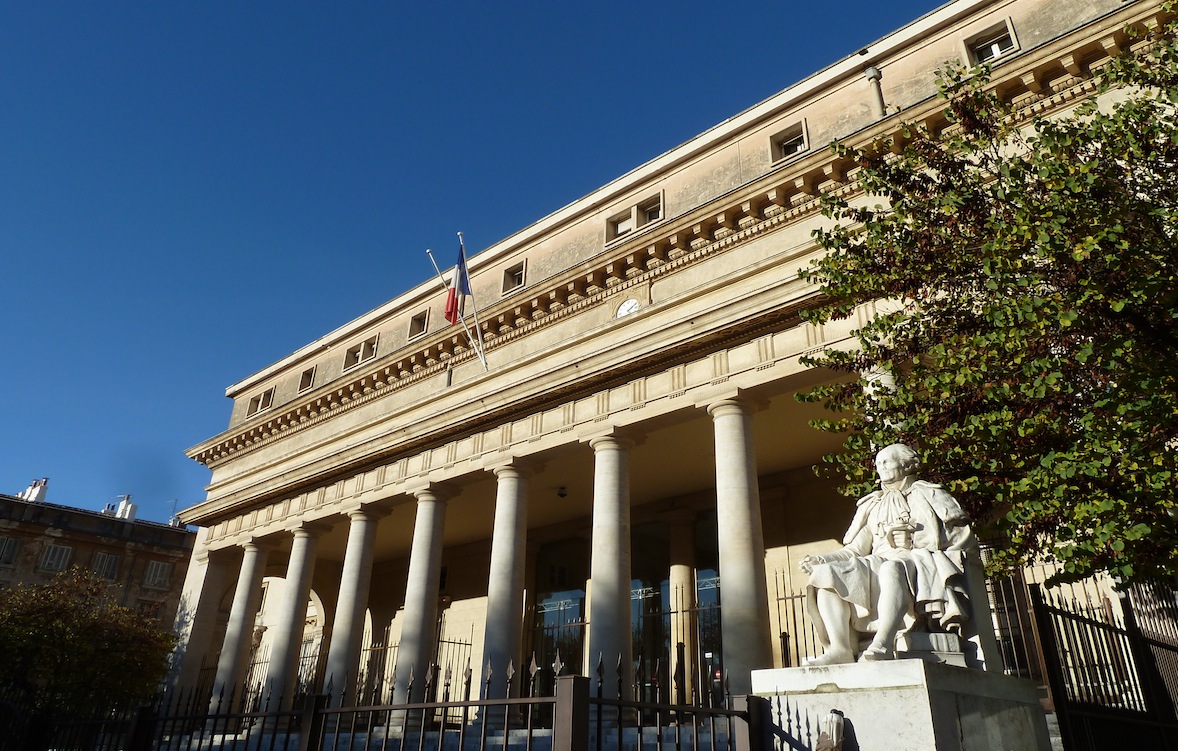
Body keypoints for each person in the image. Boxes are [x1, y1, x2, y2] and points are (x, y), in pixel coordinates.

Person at [801, 444, 977, 664]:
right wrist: (821, 560)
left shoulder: (930, 493)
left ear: (906, 464)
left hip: (917, 559)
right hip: (877, 559)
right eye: (877, 464)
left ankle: (883, 642)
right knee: (825, 574)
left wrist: (915, 541)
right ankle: (840, 649)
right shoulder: (873, 504)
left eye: (886, 461)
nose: (880, 467)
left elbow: (961, 538)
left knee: (890, 568)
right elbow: (855, 549)